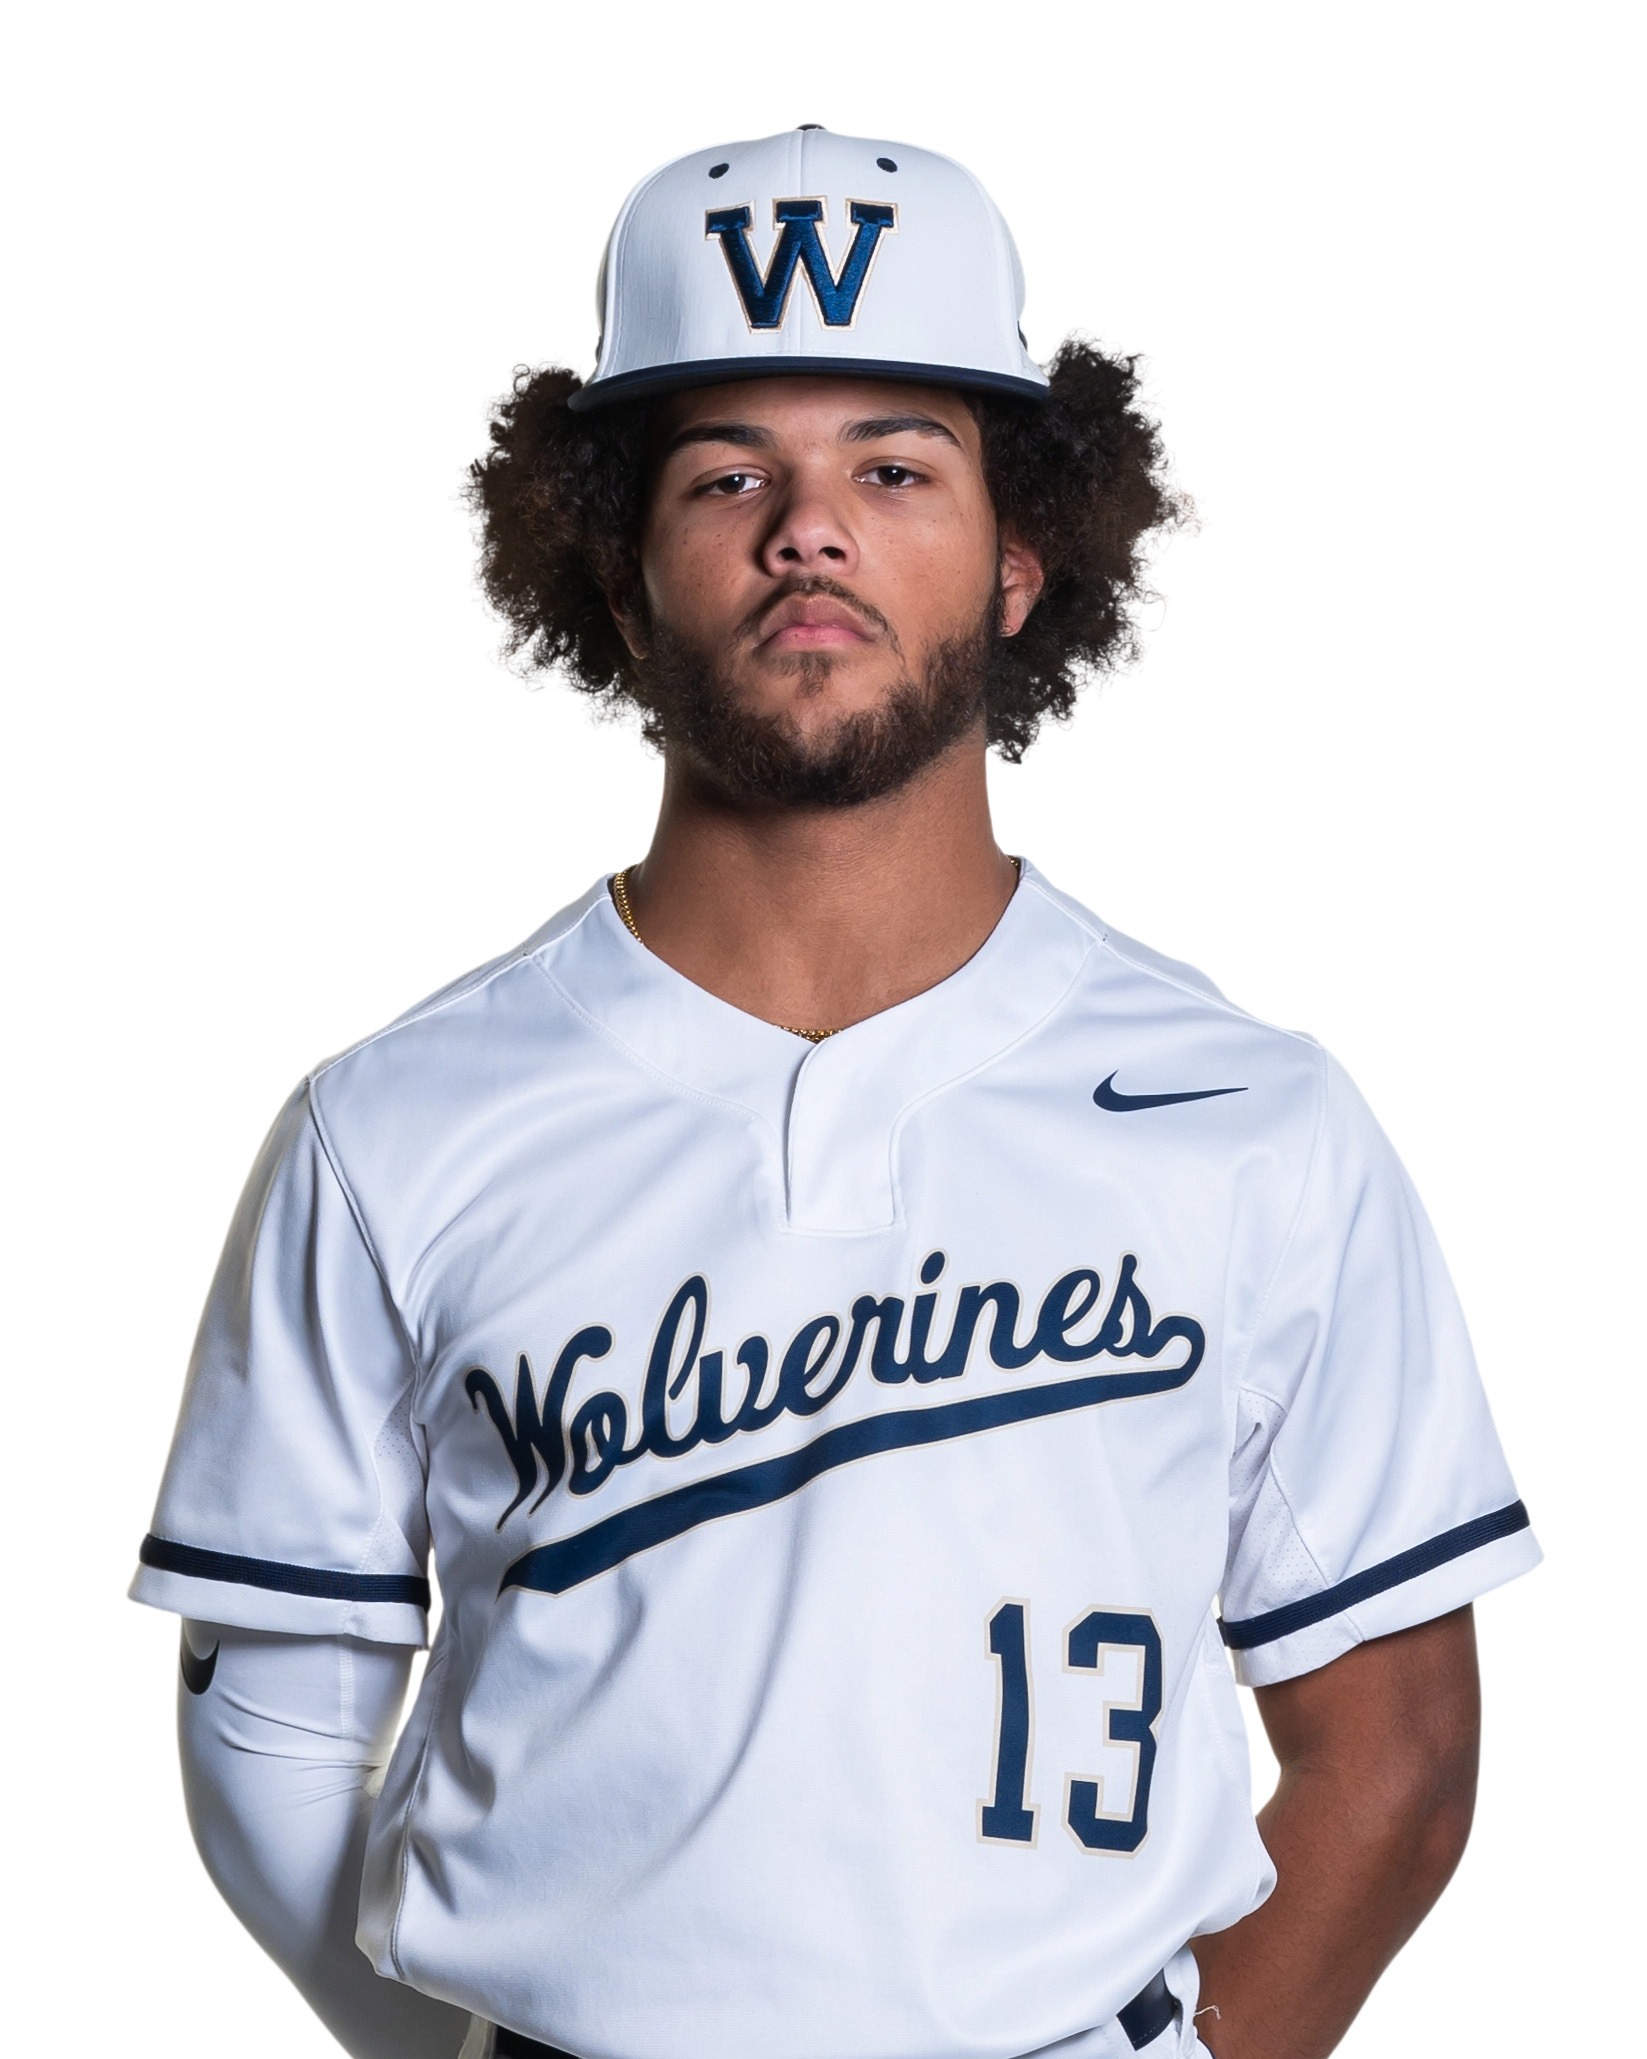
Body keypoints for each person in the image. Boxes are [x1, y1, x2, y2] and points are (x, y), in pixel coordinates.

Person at [132, 127, 1539, 2059]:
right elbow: (273, 1733)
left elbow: (1397, 1754)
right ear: (619, 578)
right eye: (729, 475)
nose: (811, 531)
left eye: (895, 468)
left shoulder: (1251, 1117)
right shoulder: (394, 1127)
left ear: (1022, 557)